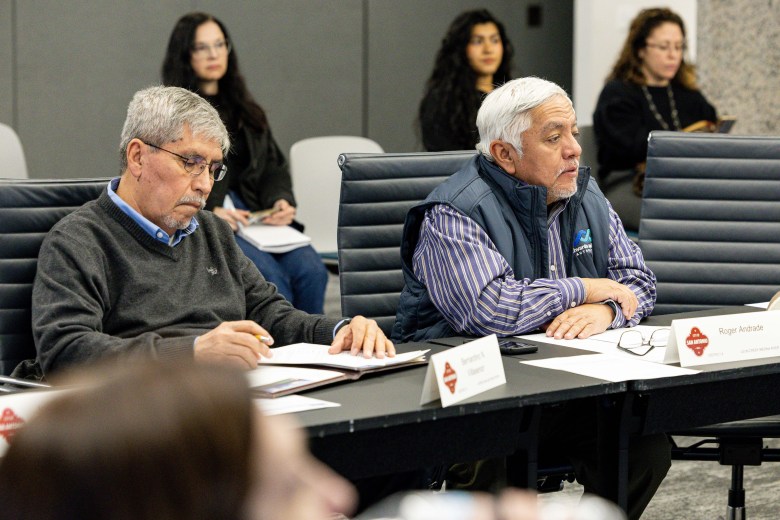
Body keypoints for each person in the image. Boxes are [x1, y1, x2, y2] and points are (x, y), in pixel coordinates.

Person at [392, 77, 668, 520]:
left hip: (561, 387)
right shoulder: (455, 212)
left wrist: (605, 310)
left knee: (643, 448)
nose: (574, 149)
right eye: (554, 138)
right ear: (505, 153)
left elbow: (639, 282)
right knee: (489, 454)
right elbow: (488, 309)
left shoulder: (584, 193)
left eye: (573, 132)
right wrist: (585, 288)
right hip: (473, 395)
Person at [25, 85, 393, 379]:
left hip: (228, 401)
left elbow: (270, 315)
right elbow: (65, 352)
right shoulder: (78, 241)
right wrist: (192, 352)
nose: (204, 184)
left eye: (213, 169)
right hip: (139, 419)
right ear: (137, 157)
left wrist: (339, 331)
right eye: (191, 163)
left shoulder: (212, 231)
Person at [0, 361, 357, 520]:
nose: (342, 495)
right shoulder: (81, 244)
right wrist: (195, 347)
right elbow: (69, 346)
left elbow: (268, 306)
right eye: (287, 489)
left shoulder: (213, 240)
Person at [162, 12, 328, 313]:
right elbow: (171, 176)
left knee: (312, 271)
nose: (214, 54)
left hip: (256, 217)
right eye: (202, 47)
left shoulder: (246, 109)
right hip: (211, 217)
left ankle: (311, 339)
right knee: (271, 280)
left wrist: (280, 200)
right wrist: (210, 210)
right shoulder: (173, 115)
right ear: (185, 54)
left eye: (220, 44)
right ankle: (278, 342)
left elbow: (272, 166)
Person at [592, 7, 717, 231]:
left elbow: (711, 122)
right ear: (640, 49)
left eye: (679, 47)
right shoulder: (618, 93)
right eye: (664, 47)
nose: (673, 55)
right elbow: (629, 148)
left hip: (681, 181)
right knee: (681, 217)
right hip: (630, 182)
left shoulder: (687, 93)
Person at [418, 9, 514, 151]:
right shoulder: (443, 102)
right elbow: (445, 158)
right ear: (461, 48)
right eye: (477, 41)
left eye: (494, 40)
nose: (488, 49)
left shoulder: (513, 97)